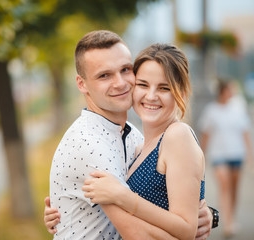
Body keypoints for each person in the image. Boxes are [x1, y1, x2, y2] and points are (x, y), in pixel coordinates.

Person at [46, 30, 213, 239]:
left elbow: (173, 201)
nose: (120, 83)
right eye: (104, 75)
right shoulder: (90, 144)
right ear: (82, 84)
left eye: (125, 70)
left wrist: (208, 215)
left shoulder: (134, 136)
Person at [198, 80, 253, 238]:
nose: (233, 92)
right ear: (222, 91)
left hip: (237, 154)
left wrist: (250, 155)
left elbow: (245, 133)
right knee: (224, 187)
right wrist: (202, 156)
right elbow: (206, 135)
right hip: (219, 155)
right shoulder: (211, 110)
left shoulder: (238, 109)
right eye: (230, 89)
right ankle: (228, 222)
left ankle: (232, 216)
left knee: (234, 190)